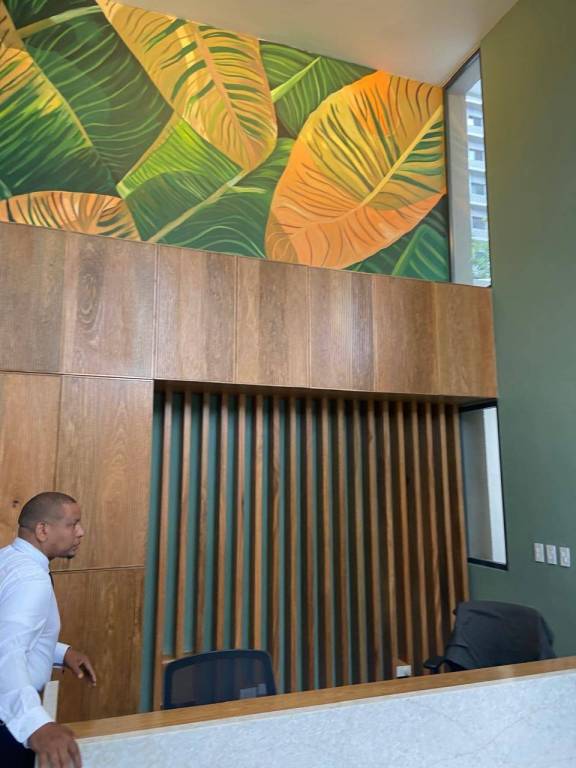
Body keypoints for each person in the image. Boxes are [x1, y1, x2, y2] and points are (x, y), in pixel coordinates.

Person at [0, 492, 97, 768]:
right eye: (72, 524)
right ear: (43, 530)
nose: (81, 532)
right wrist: (35, 725)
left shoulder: (8, 560)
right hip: (9, 724)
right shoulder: (31, 580)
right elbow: (6, 651)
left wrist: (60, 652)